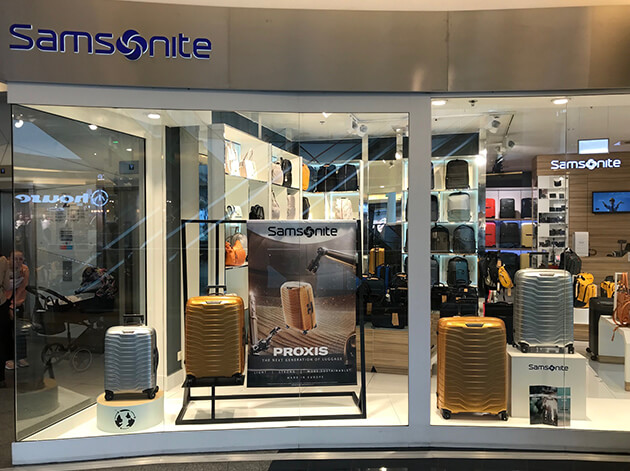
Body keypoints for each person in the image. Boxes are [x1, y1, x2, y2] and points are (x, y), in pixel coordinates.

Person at [5, 251, 29, 371]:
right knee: (6, 331)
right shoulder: (3, 269)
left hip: (17, 303)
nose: (18, 261)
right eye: (15, 259)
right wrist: (8, 306)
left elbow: (22, 288)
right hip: (3, 302)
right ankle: (8, 358)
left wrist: (13, 305)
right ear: (9, 259)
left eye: (20, 259)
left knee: (20, 330)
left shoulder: (24, 270)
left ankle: (21, 356)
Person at [0, 255, 11, 386]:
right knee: (1, 341)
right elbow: (7, 285)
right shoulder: (3, 260)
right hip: (1, 302)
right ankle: (1, 378)